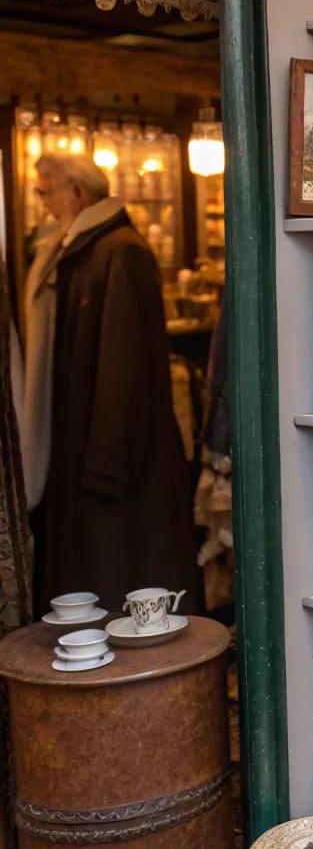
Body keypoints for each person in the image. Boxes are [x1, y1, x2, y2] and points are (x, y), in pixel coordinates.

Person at [22, 153, 196, 613]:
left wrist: (105, 464)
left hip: (110, 458)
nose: (43, 204)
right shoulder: (80, 250)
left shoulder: (119, 252)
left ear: (78, 193)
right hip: (89, 450)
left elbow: (125, 366)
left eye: (46, 192)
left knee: (119, 576)